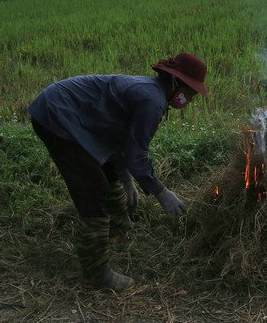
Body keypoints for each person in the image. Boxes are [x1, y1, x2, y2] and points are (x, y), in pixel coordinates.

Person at [28, 52, 209, 290]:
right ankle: (96, 275)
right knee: (93, 190)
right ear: (176, 83)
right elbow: (137, 156)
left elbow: (122, 140)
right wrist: (161, 192)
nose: (191, 99)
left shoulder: (153, 93)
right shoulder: (152, 101)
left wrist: (126, 178)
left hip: (69, 113)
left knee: (109, 172)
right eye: (191, 92)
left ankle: (117, 227)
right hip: (57, 115)